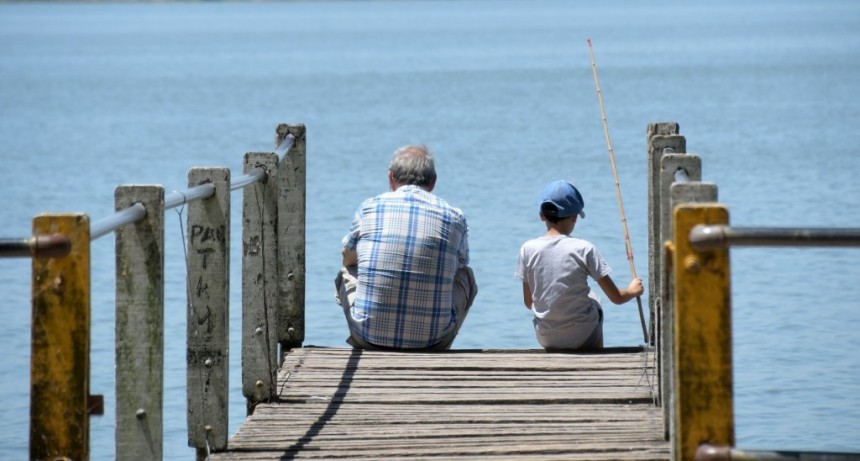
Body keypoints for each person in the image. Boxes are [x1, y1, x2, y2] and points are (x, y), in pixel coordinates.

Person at [335, 144, 477, 350]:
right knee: (466, 276)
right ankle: (431, 332)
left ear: (390, 178)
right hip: (434, 341)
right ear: (433, 182)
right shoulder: (454, 216)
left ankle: (371, 327)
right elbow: (459, 266)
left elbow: (347, 254)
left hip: (368, 336)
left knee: (347, 268)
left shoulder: (369, 207)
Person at [515, 180, 643, 350]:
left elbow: (529, 302)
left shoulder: (526, 249)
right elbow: (617, 298)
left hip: (545, 337)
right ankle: (595, 356)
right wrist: (633, 290)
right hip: (583, 335)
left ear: (542, 215)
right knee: (594, 300)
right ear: (574, 217)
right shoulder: (584, 248)